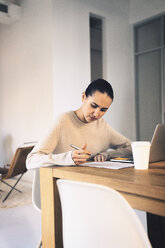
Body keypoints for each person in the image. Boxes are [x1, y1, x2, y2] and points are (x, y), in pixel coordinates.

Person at [26, 79, 132, 170]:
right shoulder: (62, 121)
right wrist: (68, 158)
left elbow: (131, 148)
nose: (97, 114)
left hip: (88, 183)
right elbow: (31, 161)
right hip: (61, 185)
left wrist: (107, 155)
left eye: (103, 110)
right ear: (83, 97)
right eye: (93, 105)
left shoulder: (102, 126)